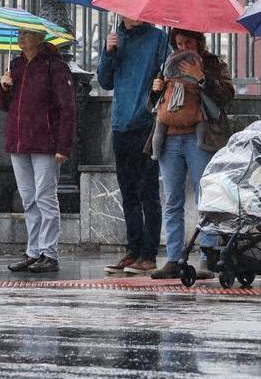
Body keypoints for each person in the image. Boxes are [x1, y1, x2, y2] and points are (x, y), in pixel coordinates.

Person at [149, 28, 234, 281]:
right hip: (169, 137)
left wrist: (202, 78)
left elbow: (227, 95)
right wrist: (155, 89)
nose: (182, 47)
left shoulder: (213, 63)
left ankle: (208, 256)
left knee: (205, 196)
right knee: (172, 199)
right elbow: (153, 104)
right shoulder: (168, 63)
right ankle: (174, 258)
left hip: (200, 137)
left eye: (187, 42)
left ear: (199, 42)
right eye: (178, 43)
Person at [0, 30, 76, 274]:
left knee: (45, 197)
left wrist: (63, 146)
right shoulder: (15, 65)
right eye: (19, 33)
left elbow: (67, 108)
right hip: (18, 142)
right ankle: (33, 251)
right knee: (28, 199)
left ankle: (48, 252)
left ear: (40, 38)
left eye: (27, 34)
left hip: (45, 142)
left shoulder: (55, 66)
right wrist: (3, 87)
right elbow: (3, 105)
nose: (21, 38)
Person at [97, 16, 167, 276]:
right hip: (120, 125)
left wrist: (160, 84)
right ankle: (133, 248)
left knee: (147, 191)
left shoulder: (158, 38)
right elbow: (105, 81)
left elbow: (167, 74)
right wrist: (108, 53)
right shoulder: (117, 38)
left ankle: (149, 254)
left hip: (147, 123)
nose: (132, 15)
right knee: (128, 193)